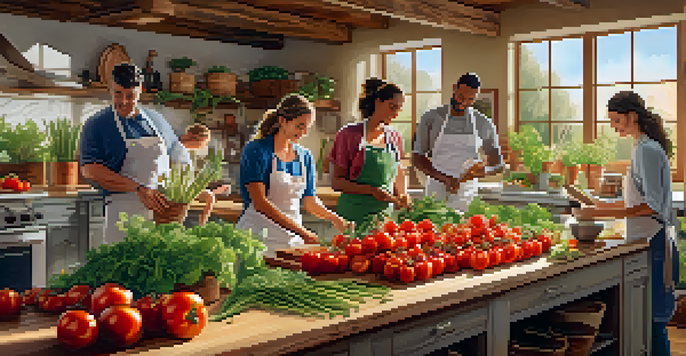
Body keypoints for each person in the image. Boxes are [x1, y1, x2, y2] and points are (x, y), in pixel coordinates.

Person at [572, 91, 679, 356]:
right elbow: (637, 201)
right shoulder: (640, 146)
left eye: (616, 120)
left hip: (654, 242)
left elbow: (652, 206)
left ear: (632, 116)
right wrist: (599, 208)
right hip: (647, 240)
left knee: (654, 322)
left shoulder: (647, 150)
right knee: (646, 320)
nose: (614, 127)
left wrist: (603, 214)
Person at [79, 63, 191, 245]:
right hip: (123, 213)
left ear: (141, 90)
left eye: (130, 95)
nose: (123, 101)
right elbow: (91, 170)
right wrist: (139, 189)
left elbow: (179, 156)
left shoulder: (156, 120)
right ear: (110, 88)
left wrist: (184, 192)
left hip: (162, 214)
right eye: (117, 94)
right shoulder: (97, 124)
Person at [237, 94, 351, 258]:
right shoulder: (256, 150)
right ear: (282, 121)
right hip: (256, 239)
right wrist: (303, 232)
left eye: (307, 127)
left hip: (291, 242)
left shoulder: (305, 157)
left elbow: (310, 202)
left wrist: (336, 219)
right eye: (299, 126)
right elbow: (260, 203)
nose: (304, 133)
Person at [412, 72, 504, 213]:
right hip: (437, 190)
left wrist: (485, 170)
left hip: (467, 192)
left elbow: (498, 164)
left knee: (466, 231)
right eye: (461, 96)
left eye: (470, 99)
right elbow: (417, 158)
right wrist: (445, 179)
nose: (464, 102)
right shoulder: (431, 118)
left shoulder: (483, 123)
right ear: (455, 88)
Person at [329, 78, 410, 229]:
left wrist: (403, 195)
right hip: (352, 217)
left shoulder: (395, 137)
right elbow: (337, 182)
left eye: (399, 109)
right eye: (392, 107)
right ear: (378, 102)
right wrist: (372, 191)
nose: (395, 113)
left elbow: (398, 172)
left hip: (384, 220)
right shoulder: (348, 134)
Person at [177, 124, 231, 226]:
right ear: (196, 139)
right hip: (176, 190)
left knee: (210, 197)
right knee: (209, 196)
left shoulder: (187, 152)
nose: (203, 146)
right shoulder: (178, 150)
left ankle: (202, 225)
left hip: (185, 189)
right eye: (204, 143)